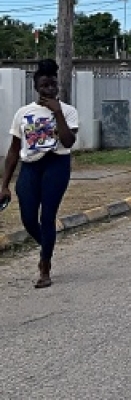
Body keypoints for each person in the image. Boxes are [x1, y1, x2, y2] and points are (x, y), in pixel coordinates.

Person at [0, 59, 79, 288]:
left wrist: (58, 113)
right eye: (45, 85)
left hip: (57, 164)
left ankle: (45, 267)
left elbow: (68, 141)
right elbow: (14, 150)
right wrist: (4, 185)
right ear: (36, 87)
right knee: (27, 217)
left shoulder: (68, 111)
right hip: (30, 166)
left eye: (53, 85)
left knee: (47, 217)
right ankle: (47, 244)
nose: (50, 89)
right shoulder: (23, 113)